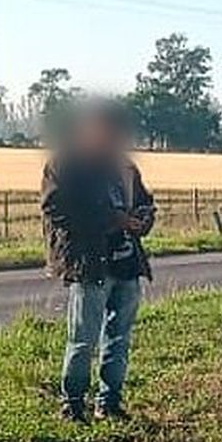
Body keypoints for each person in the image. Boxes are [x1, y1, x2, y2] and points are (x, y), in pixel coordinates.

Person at [40, 99, 156, 422]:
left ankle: (109, 403)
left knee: (119, 338)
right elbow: (56, 210)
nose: (113, 138)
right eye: (107, 129)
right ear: (88, 128)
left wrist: (143, 219)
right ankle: (73, 404)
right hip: (90, 265)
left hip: (127, 264)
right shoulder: (64, 165)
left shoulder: (124, 167)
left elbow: (146, 202)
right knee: (83, 340)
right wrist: (112, 219)